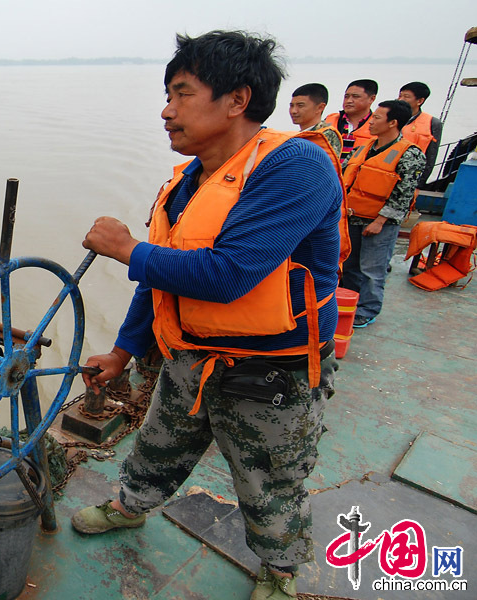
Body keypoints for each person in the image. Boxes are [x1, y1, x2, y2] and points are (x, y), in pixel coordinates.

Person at [74, 30, 343, 600]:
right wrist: (122, 353)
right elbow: (161, 278)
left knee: (271, 477)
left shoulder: (297, 166)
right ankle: (130, 506)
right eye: (168, 96)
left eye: (181, 94)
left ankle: (279, 570)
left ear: (237, 100)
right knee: (160, 441)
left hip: (270, 371)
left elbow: (228, 275)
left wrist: (126, 248)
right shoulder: (185, 182)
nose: (166, 111)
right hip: (189, 356)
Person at [341, 100, 425, 328]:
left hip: (379, 222)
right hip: (353, 216)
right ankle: (346, 303)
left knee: (372, 269)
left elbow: (404, 192)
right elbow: (346, 176)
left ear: (393, 122)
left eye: (377, 117)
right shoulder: (365, 147)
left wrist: (380, 221)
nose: (371, 121)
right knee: (349, 265)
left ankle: (367, 309)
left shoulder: (410, 154)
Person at [398, 82, 443, 187]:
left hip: (409, 177)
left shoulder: (432, 123)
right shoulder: (389, 117)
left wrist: (420, 184)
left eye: (406, 97)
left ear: (420, 101)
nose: (400, 99)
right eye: (400, 95)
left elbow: (431, 155)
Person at [325, 79, 378, 162]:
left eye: (355, 96)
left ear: (371, 99)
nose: (349, 101)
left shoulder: (380, 125)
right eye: (346, 96)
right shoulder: (329, 120)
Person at [289, 83, 342, 157]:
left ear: (320, 107)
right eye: (291, 106)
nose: (293, 111)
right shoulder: (296, 136)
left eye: (300, 106)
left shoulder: (324, 136)